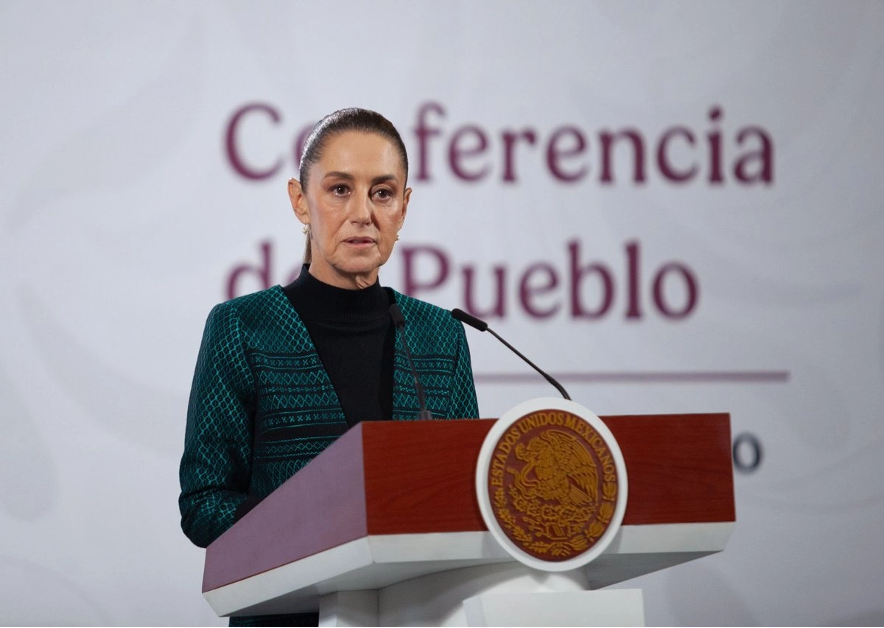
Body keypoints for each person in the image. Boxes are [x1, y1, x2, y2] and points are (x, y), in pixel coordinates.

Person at [178, 108, 480, 627]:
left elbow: (466, 495)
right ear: (300, 201)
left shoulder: (441, 337)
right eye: (340, 189)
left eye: (382, 193)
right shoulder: (243, 328)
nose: (362, 212)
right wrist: (311, 527)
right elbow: (204, 504)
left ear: (403, 209)